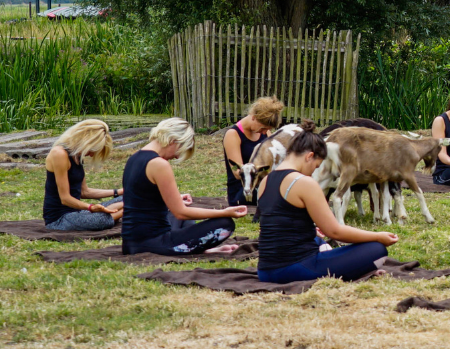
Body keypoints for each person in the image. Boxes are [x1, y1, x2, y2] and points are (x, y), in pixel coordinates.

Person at [254, 119, 398, 284]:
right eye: (316, 166)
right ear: (309, 157)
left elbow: (277, 223)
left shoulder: (266, 181)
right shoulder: (304, 183)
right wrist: (378, 236)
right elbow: (335, 232)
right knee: (376, 249)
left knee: (318, 241)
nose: (314, 171)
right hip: (294, 269)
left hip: (265, 271)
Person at [121, 118, 247, 255]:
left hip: (131, 241)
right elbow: (180, 213)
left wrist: (175, 198)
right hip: (152, 243)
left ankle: (201, 248)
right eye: (180, 150)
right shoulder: (159, 164)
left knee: (187, 218)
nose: (176, 156)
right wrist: (224, 212)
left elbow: (141, 196)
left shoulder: (134, 158)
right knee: (225, 223)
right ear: (173, 140)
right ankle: (195, 247)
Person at [42, 120, 125, 231]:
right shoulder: (59, 154)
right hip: (59, 220)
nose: (91, 155)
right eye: (93, 150)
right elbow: (65, 199)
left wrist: (118, 191)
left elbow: (84, 192)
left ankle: (127, 207)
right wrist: (91, 208)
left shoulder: (77, 156)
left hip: (79, 212)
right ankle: (128, 210)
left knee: (129, 197)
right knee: (101, 220)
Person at [223, 96, 283, 206]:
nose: (265, 132)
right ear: (254, 117)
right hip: (243, 190)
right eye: (263, 128)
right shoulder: (233, 135)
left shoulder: (266, 133)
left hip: (263, 184)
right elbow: (236, 172)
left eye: (268, 129)